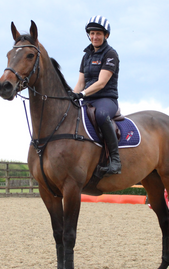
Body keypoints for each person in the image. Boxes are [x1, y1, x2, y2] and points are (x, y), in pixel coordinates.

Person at [71, 15, 121, 176]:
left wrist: (82, 93)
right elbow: (80, 82)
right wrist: (70, 97)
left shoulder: (111, 54)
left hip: (106, 99)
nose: (94, 37)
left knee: (101, 115)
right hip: (87, 99)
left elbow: (102, 82)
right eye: (92, 33)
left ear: (106, 35)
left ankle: (115, 160)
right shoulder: (86, 56)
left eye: (98, 33)